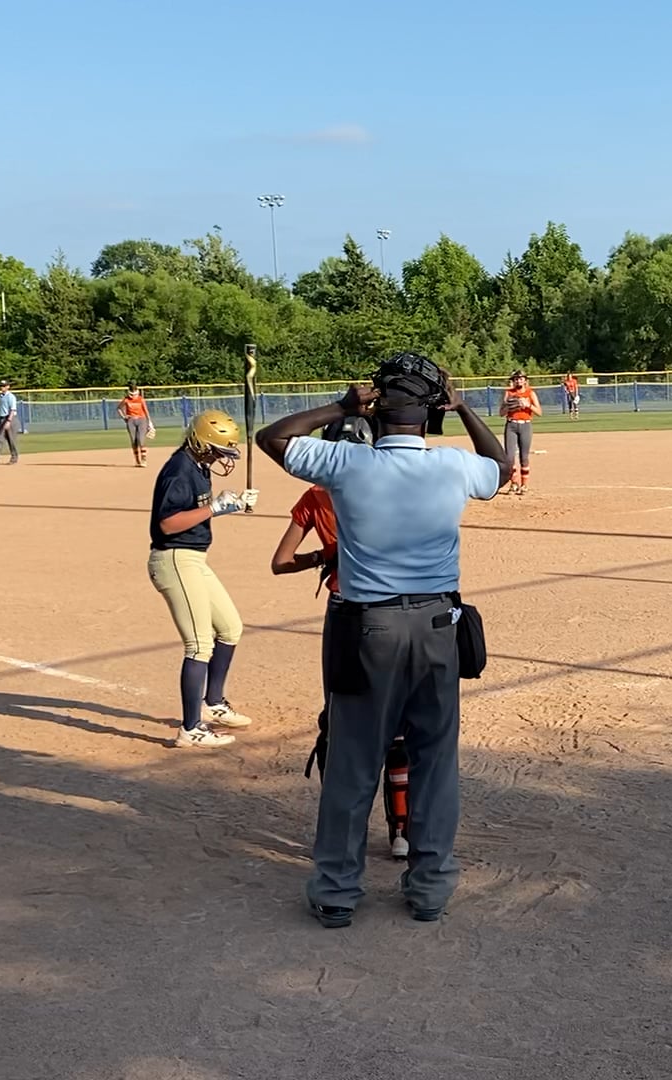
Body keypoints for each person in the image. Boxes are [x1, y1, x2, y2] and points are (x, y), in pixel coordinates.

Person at [256, 351, 509, 929]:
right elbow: (499, 466)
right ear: (432, 410)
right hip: (438, 625)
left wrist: (341, 406)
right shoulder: (452, 466)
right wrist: (464, 408)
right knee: (433, 760)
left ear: (375, 408)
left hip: (367, 627)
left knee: (353, 760)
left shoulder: (347, 463)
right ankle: (429, 888)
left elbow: (273, 437)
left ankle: (337, 891)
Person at [271, 416, 414, 860]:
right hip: (393, 609)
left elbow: (281, 562)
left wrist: (325, 554)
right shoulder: (390, 486)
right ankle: (402, 831)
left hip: (344, 613)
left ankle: (342, 833)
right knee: (399, 724)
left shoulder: (314, 496)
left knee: (341, 718)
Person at [148, 409, 260, 748]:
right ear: (199, 442)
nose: (221, 458)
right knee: (199, 644)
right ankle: (191, 728)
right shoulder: (179, 471)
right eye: (217, 451)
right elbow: (167, 524)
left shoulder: (198, 466)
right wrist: (215, 509)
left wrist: (233, 504)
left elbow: (195, 513)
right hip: (174, 559)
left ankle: (213, 703)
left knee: (230, 627)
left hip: (194, 559)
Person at [500, 370, 542, 494]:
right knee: (509, 457)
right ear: (513, 381)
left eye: (521, 378)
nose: (518, 381)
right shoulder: (509, 393)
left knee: (524, 457)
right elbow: (501, 413)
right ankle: (514, 483)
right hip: (511, 425)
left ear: (525, 380)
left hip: (525, 425)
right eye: (516, 379)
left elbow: (539, 412)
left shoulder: (530, 393)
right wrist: (509, 406)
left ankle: (524, 485)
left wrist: (528, 405)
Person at [117, 385, 153, 467]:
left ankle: (144, 459)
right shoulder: (126, 400)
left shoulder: (141, 399)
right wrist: (124, 416)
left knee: (141, 439)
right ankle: (137, 460)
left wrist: (150, 422)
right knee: (134, 441)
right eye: (132, 394)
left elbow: (146, 411)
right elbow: (119, 408)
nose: (133, 396)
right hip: (131, 420)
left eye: (135, 394)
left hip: (141, 419)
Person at [0, 378, 20, 465]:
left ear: (8, 387)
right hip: (2, 419)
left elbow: (12, 409)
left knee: (11, 440)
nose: (2, 387)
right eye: (1, 386)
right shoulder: (1, 396)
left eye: (4, 386)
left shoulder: (11, 396)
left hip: (10, 419)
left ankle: (14, 458)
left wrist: (8, 421)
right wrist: (1, 422)